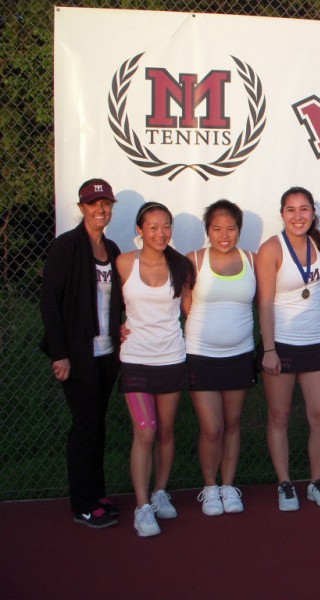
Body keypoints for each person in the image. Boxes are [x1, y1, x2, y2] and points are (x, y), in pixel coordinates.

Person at [40, 178, 123, 528]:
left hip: (107, 354)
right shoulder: (67, 247)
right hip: (78, 355)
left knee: (97, 425)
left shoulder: (114, 250)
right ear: (82, 208)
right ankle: (83, 504)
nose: (100, 210)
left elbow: (115, 300)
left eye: (105, 204)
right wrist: (60, 354)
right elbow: (49, 303)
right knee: (85, 426)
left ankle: (97, 493)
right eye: (93, 204)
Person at [256, 186, 320, 511]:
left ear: (313, 214)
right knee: (279, 417)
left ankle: (317, 482)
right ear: (282, 214)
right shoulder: (270, 249)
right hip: (283, 345)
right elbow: (264, 303)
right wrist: (269, 349)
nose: (298, 216)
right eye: (291, 210)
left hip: (318, 342)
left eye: (304, 209)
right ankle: (285, 484)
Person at [117, 201, 195, 537]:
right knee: (145, 431)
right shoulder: (122, 263)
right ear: (139, 230)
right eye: (153, 226)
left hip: (171, 358)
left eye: (166, 226)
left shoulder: (181, 266)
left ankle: (160, 492)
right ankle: (141, 505)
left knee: (165, 431)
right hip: (135, 359)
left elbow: (191, 309)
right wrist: (117, 324)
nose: (160, 233)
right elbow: (107, 303)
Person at [184, 200, 255, 515]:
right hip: (202, 356)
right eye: (217, 229)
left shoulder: (252, 260)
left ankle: (228, 486)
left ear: (239, 229)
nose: (224, 235)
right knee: (211, 428)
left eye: (231, 228)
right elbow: (181, 305)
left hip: (240, 356)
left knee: (233, 423)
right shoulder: (193, 261)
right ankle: (210, 487)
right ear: (207, 231)